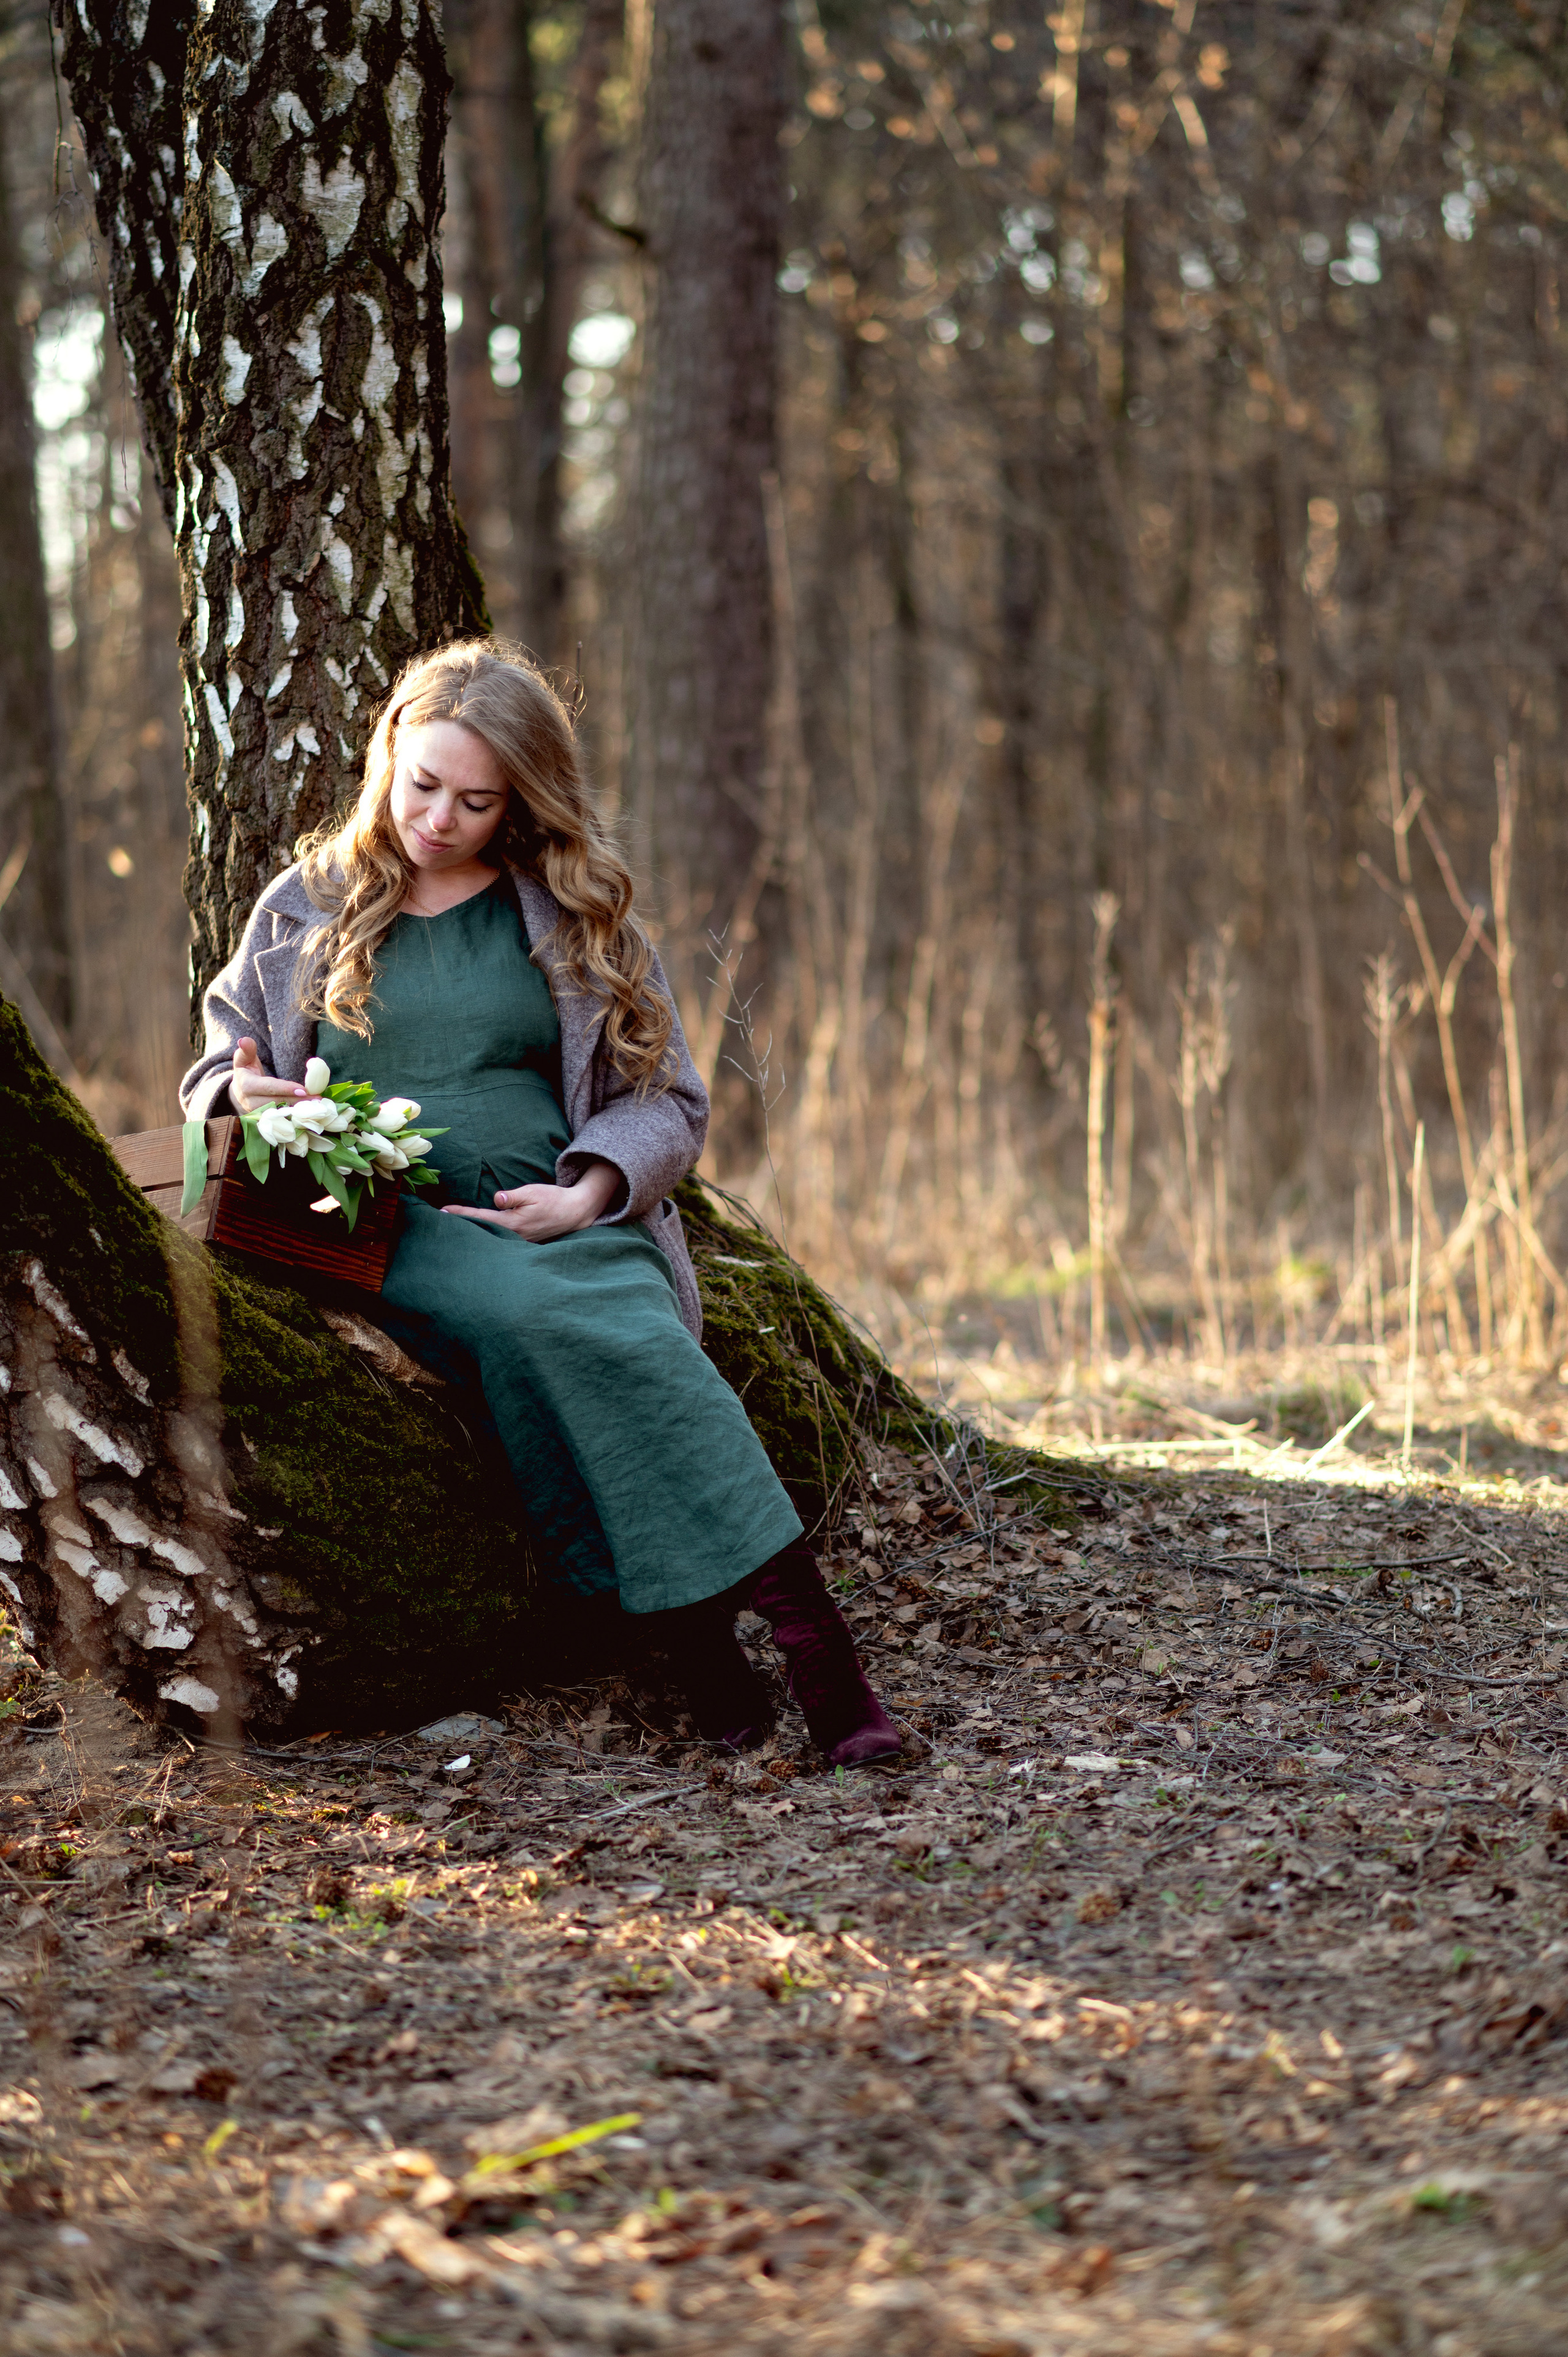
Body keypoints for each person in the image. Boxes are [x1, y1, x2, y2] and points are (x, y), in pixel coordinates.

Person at [181, 640, 899, 1768]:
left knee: (626, 1332)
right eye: (422, 786)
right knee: (536, 1320)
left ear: (520, 798)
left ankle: (800, 1651)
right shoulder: (307, 904)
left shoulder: (567, 908)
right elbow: (219, 1057)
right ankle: (735, 1644)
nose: (439, 819)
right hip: (395, 1225)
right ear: (388, 758)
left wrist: (595, 1189)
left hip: (566, 1213)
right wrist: (240, 1084)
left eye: (476, 800)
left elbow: (666, 1095)